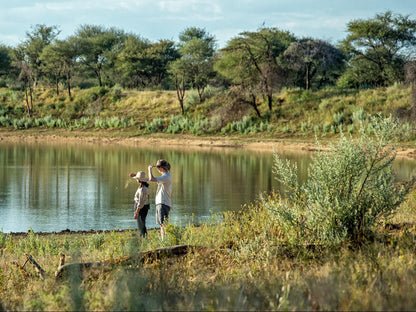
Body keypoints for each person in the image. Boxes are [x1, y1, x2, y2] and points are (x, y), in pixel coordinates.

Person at [148, 159, 172, 241]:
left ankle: (165, 240)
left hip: (163, 203)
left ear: (162, 168)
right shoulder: (165, 176)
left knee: (163, 224)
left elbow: (151, 179)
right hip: (161, 203)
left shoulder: (166, 176)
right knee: (161, 224)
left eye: (158, 167)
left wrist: (149, 169)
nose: (157, 169)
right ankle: (163, 240)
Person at [129, 171, 150, 238]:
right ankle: (143, 238)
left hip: (141, 208)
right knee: (142, 224)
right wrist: (135, 175)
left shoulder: (143, 189)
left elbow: (141, 203)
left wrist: (136, 212)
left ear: (139, 180)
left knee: (141, 225)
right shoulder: (143, 187)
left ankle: (143, 239)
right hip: (142, 207)